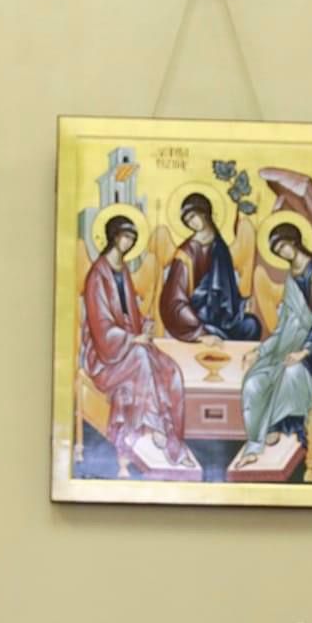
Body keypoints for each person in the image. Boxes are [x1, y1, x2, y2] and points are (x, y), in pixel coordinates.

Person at [81, 215, 192, 470]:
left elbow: (128, 312)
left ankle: (169, 434)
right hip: (105, 354)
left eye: (132, 238)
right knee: (142, 358)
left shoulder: (122, 269)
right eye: (125, 237)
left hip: (128, 344)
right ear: (113, 237)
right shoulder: (98, 275)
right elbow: (101, 326)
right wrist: (132, 339)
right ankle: (159, 430)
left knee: (170, 370)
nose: (129, 242)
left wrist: (144, 324)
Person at [238, 223, 312, 459]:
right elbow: (283, 327)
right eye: (277, 250)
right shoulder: (292, 278)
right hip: (287, 345)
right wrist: (260, 351)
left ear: (294, 241)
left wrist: (305, 351)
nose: (281, 252)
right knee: (254, 380)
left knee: (292, 373)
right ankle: (256, 437)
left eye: (282, 246)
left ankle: (281, 425)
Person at [160, 192, 261, 342]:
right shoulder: (185, 254)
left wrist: (241, 304)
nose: (192, 223)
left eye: (193, 216)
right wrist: (199, 329)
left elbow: (229, 289)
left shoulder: (220, 246)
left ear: (204, 212)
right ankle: (209, 334)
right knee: (215, 332)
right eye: (187, 221)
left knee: (251, 325)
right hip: (198, 317)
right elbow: (174, 301)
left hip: (223, 316)